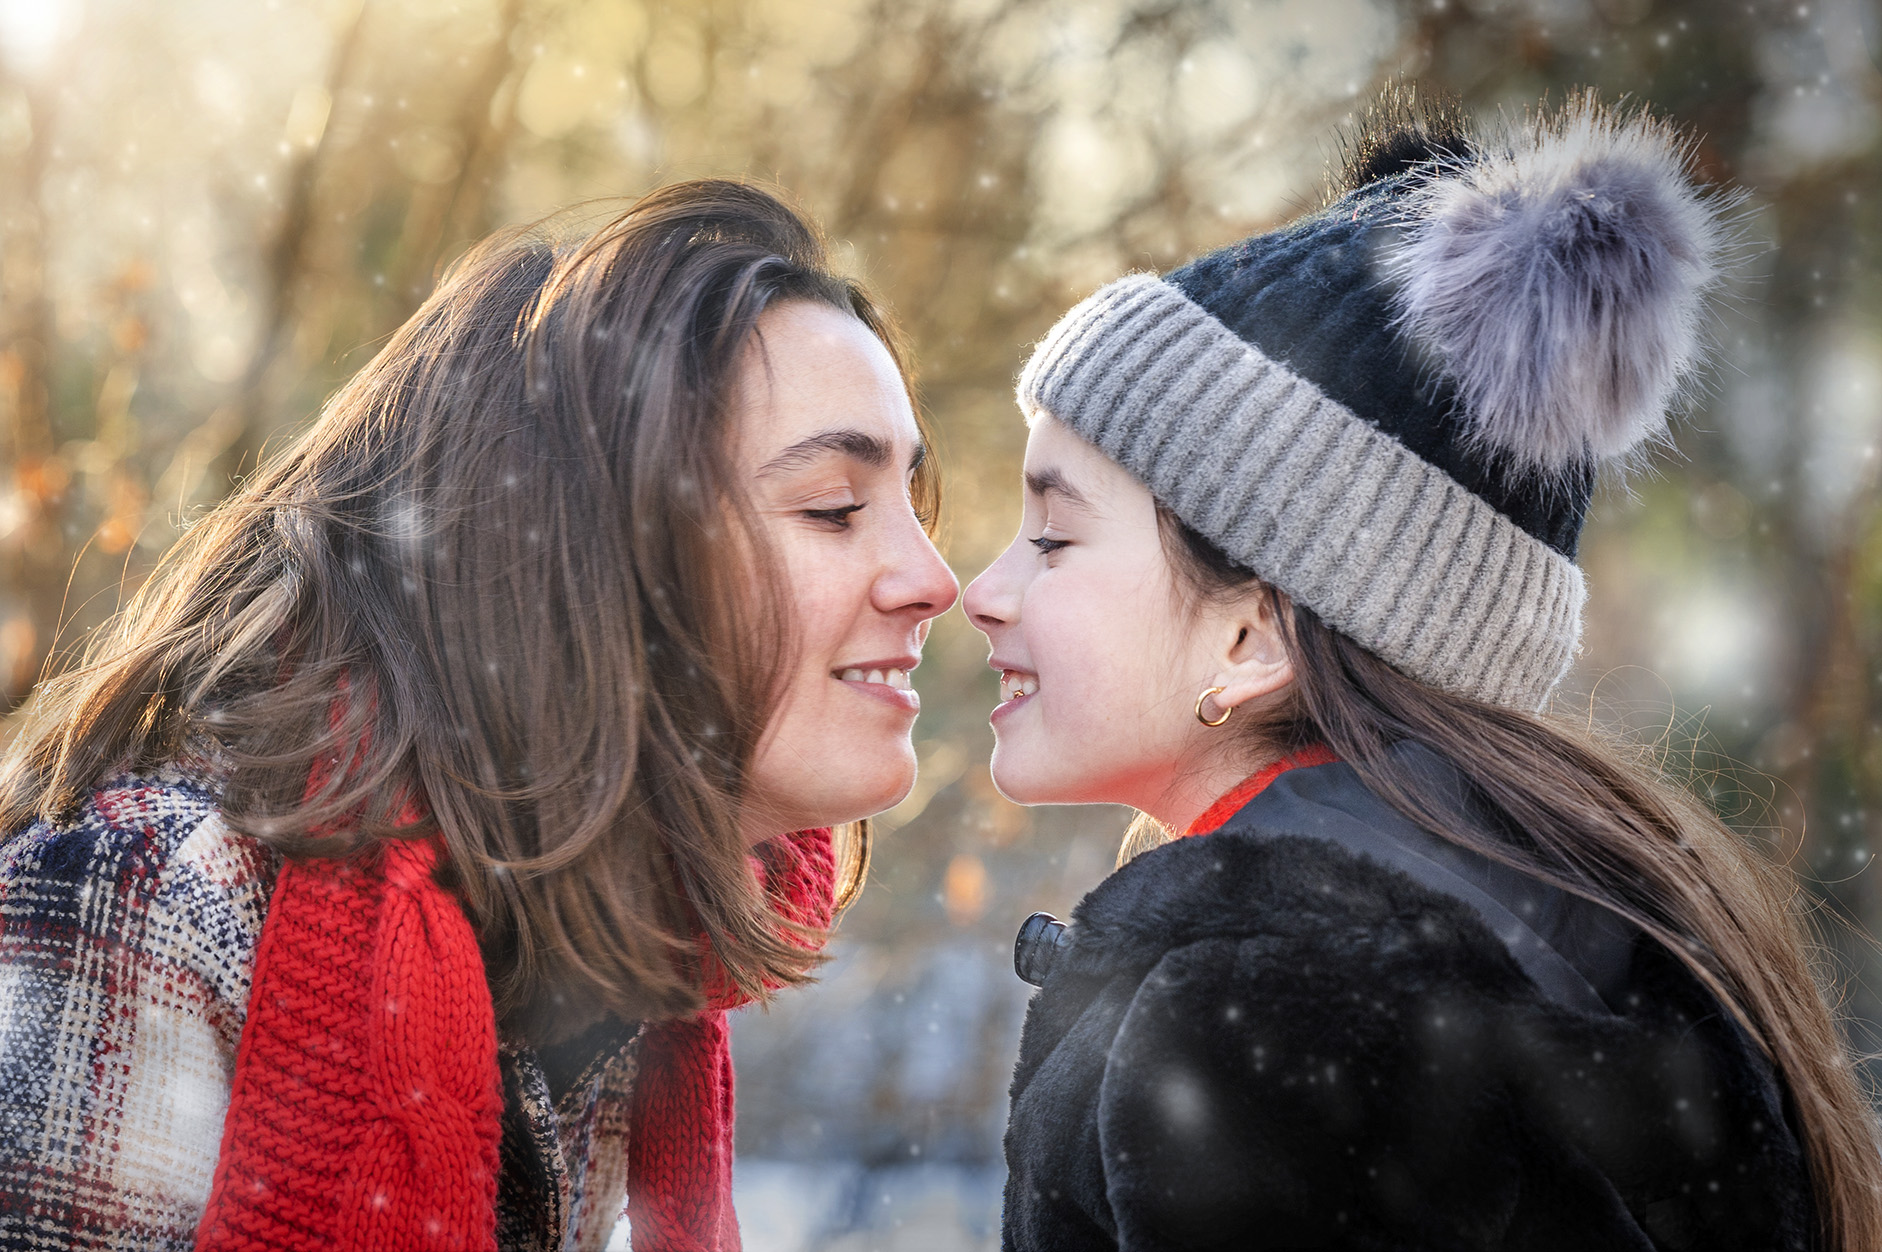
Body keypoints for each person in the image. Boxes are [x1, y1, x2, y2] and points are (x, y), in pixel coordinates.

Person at [965, 92, 1882, 1252]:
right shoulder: (1537, 928)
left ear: (1253, 636)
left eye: (1053, 538)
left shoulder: (1273, 1018)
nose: (980, 589)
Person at [0, 179, 958, 1252]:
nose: (934, 579)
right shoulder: (155, 899)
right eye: (834, 506)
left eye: (910, 509)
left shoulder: (608, 945)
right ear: (592, 564)